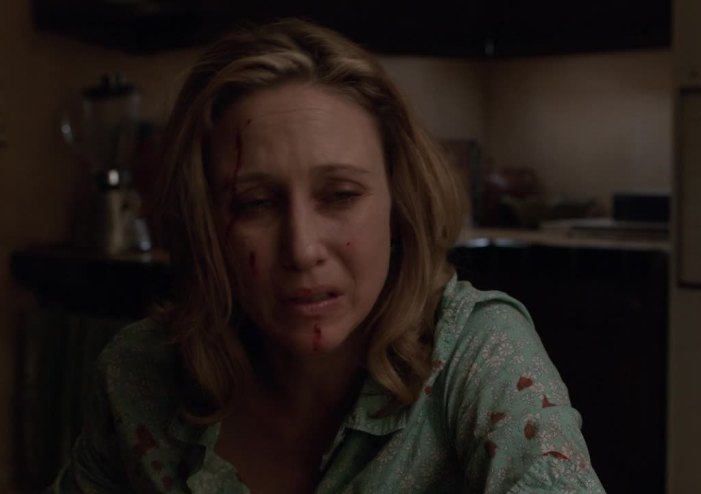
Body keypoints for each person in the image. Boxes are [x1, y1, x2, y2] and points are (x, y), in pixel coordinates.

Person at [50, 19, 605, 493]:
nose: (302, 249)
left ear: (399, 204)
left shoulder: (476, 354)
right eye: (255, 203)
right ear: (205, 225)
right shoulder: (138, 375)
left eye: (340, 195)